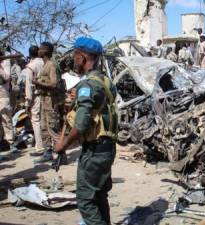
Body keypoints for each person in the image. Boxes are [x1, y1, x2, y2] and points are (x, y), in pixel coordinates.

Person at [54, 37, 118, 225]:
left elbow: (81, 124)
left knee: (86, 200)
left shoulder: (88, 84)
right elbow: (98, 107)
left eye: (75, 55)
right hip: (107, 148)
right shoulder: (105, 80)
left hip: (94, 151)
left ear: (82, 57)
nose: (74, 60)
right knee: (99, 196)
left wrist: (63, 145)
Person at [32, 42, 64, 163]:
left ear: (45, 51)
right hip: (44, 100)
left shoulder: (51, 65)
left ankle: (61, 155)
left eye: (40, 49)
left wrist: (38, 83)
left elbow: (54, 84)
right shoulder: (45, 65)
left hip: (51, 101)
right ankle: (47, 152)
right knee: (44, 128)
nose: (38, 51)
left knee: (53, 128)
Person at [25, 46, 44, 154]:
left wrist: (27, 103)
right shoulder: (44, 62)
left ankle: (40, 146)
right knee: (44, 120)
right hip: (46, 95)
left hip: (36, 96)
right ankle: (48, 145)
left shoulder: (30, 66)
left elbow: (29, 86)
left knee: (36, 120)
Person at [0, 50, 16, 152]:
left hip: (3, 96)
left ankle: (10, 143)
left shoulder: (5, 64)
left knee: (6, 120)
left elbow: (6, 77)